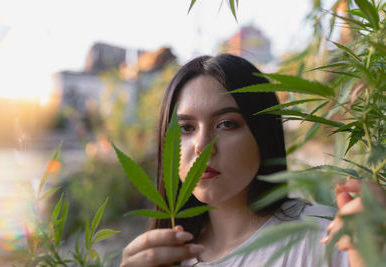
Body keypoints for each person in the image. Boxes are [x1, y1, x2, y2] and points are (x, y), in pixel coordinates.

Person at [120, 54, 349, 266]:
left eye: (226, 124)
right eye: (186, 128)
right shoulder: (162, 257)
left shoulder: (326, 238)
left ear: (263, 134)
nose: (202, 146)